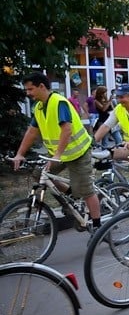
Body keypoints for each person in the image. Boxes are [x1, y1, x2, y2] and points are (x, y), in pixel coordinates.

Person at [11, 72, 102, 231]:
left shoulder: (59, 102)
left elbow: (66, 129)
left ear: (41, 86)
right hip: (59, 155)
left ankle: (97, 226)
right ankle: (71, 194)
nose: (28, 93)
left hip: (78, 152)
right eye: (26, 90)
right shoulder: (39, 107)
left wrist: (57, 156)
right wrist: (20, 154)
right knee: (40, 173)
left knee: (86, 190)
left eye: (30, 89)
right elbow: (32, 131)